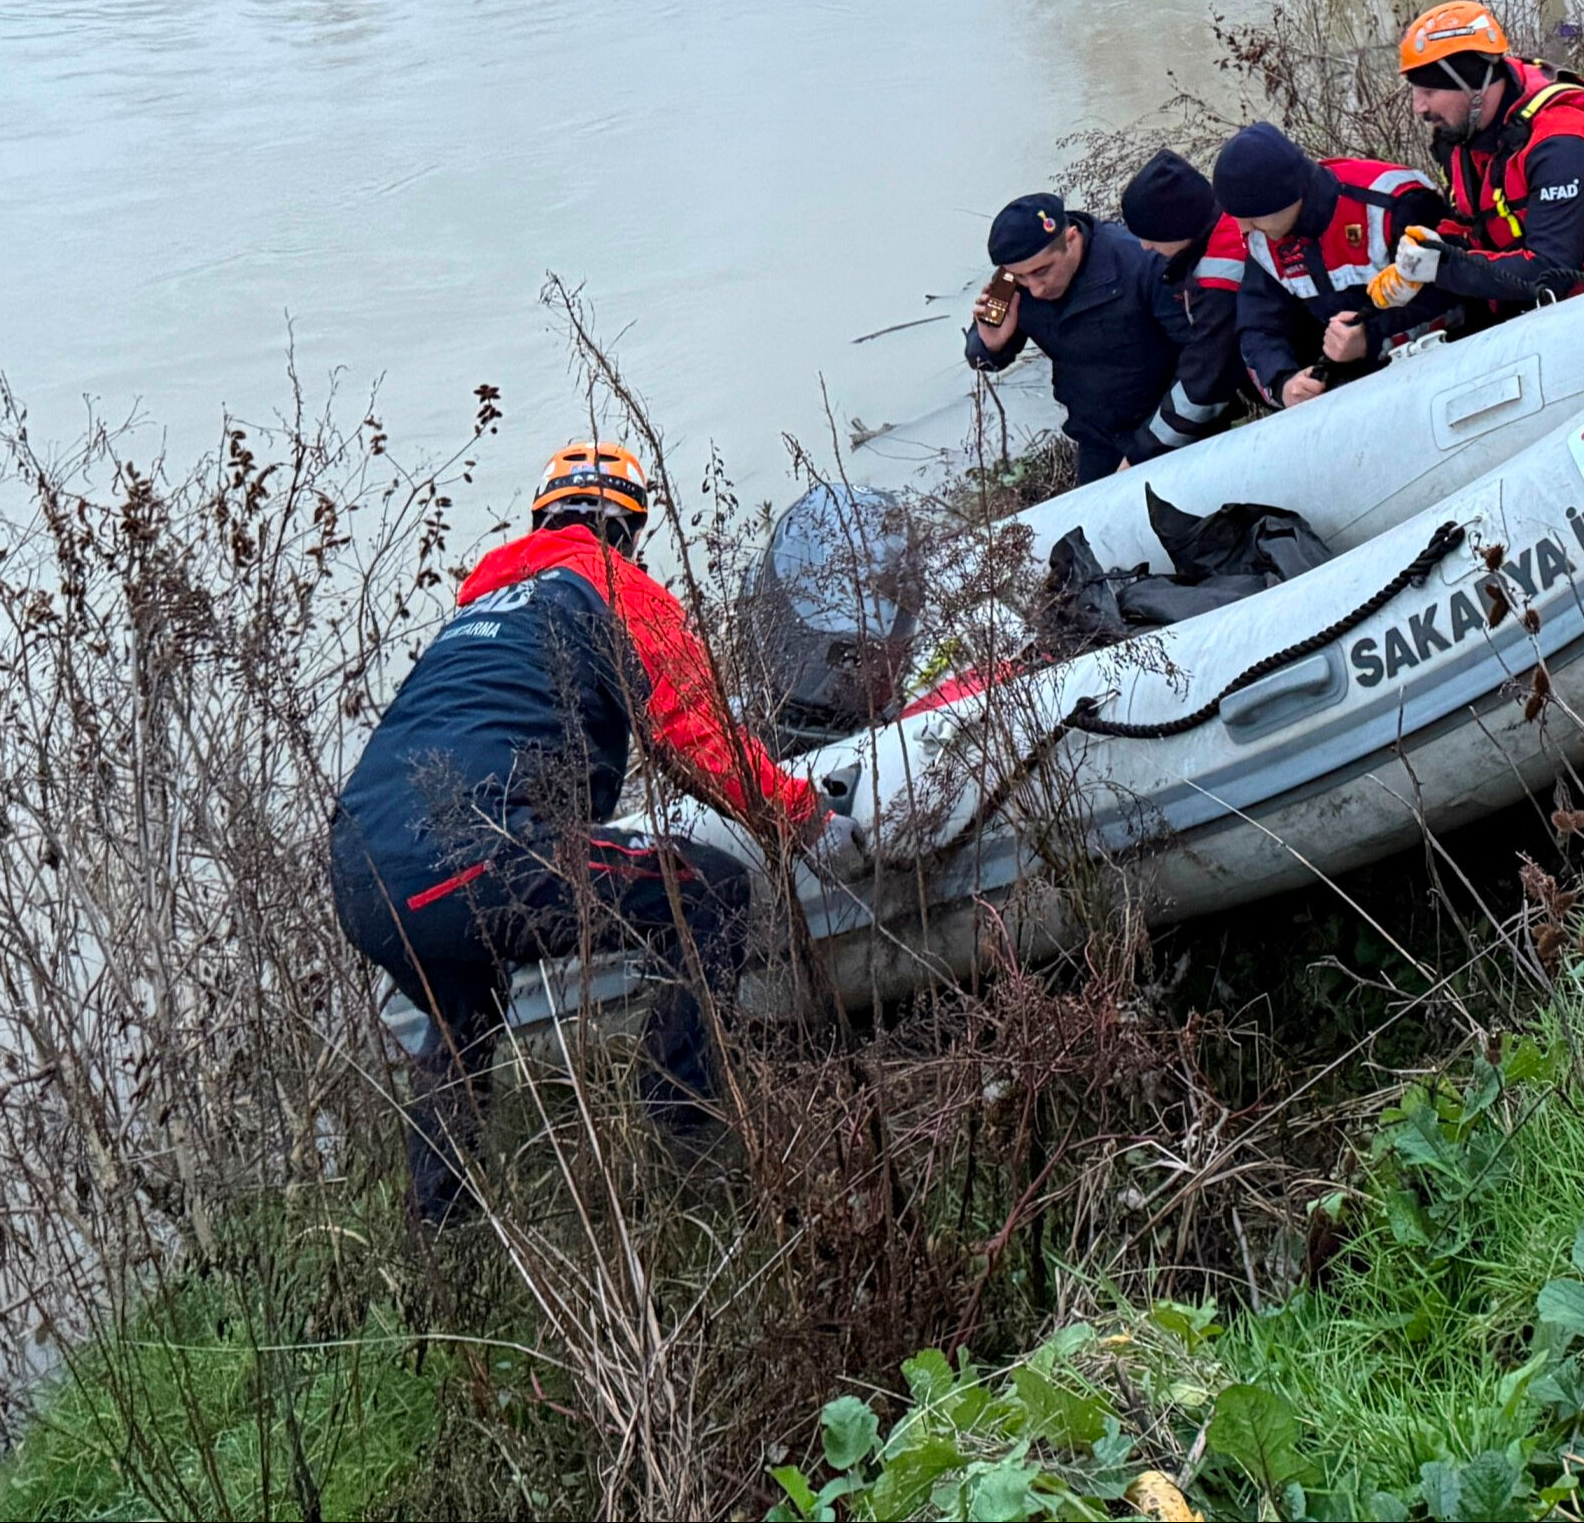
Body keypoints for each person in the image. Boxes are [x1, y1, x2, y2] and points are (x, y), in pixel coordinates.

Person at [328, 441, 860, 1227]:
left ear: (540, 519)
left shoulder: (473, 615)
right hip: (474, 854)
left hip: (358, 872)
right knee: (707, 890)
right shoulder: (614, 585)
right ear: (630, 534)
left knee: (461, 1028)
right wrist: (803, 814)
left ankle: (442, 1241)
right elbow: (699, 743)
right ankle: (683, 1136)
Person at [1393, 0, 1584, 309]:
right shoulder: (1459, 136)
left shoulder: (1563, 144)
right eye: (1415, 92)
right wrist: (1430, 251)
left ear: (1473, 87)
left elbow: (1551, 273)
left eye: (1429, 93)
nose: (1418, 107)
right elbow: (1474, 231)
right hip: (1537, 311)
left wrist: (1440, 267)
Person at [1211, 120, 1463, 405]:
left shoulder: (1391, 203)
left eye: (1250, 216)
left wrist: (1372, 338)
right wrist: (1284, 383)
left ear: (1285, 197)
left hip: (1452, 366)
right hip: (1366, 393)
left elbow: (1458, 292)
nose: (1244, 229)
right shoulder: (1264, 240)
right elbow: (1257, 326)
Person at [965, 191, 1195, 482]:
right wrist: (990, 345)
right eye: (1021, 278)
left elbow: (1199, 360)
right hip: (1096, 438)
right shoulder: (1011, 283)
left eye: (1042, 271)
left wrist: (1147, 448)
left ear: (1071, 238)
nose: (1035, 289)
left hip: (1166, 425)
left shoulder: (1139, 262)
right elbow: (981, 358)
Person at [1118, 147, 1248, 456]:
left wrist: (1140, 455)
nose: (1144, 246)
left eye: (1151, 235)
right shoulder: (1230, 220)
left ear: (1177, 226)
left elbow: (1204, 383)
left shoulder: (1218, 279)